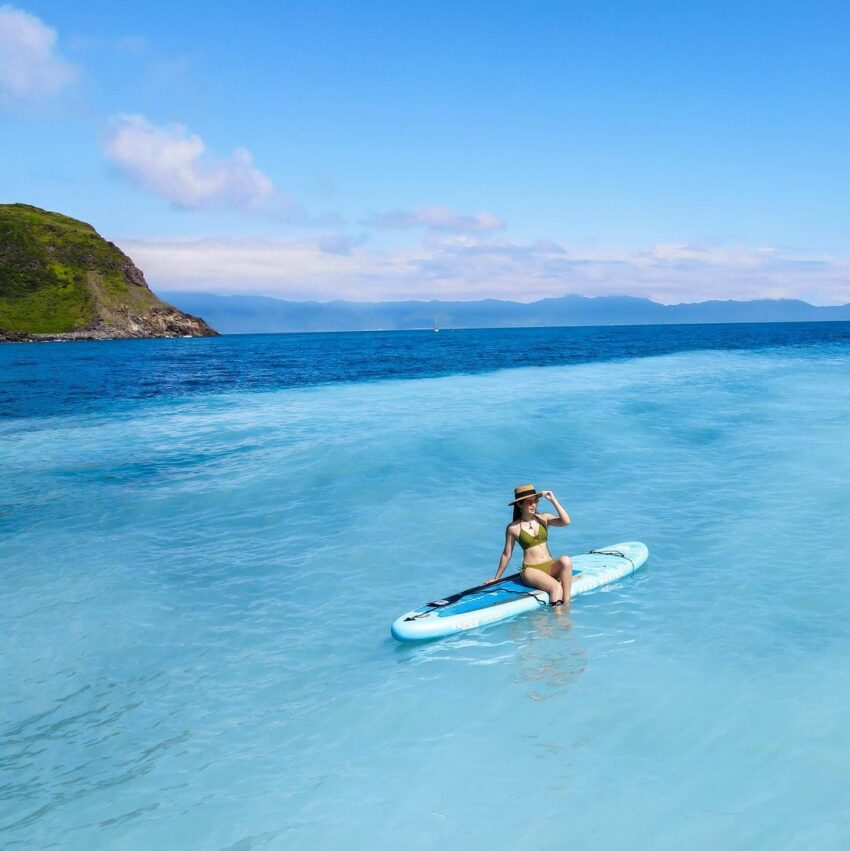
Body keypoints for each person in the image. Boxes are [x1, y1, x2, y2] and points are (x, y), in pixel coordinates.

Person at [485, 484, 581, 607]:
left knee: (566, 560)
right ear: (519, 504)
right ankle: (557, 619)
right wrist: (497, 577)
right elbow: (506, 554)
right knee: (556, 587)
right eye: (529, 502)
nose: (533, 504)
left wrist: (553, 500)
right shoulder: (513, 528)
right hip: (531, 570)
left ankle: (567, 605)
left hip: (549, 566)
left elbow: (566, 521)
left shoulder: (543, 518)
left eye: (535, 501)